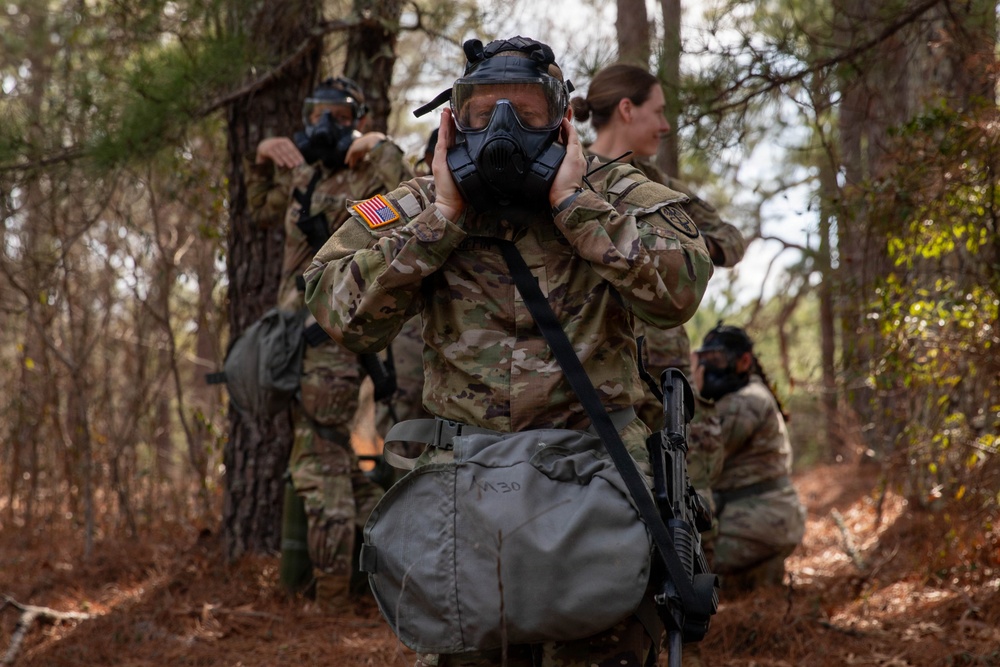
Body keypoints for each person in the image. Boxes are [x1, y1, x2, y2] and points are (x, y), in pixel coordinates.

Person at [304, 36, 713, 667]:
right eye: (482, 110)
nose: (502, 129)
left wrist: (576, 206)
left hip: (592, 492)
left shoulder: (616, 191)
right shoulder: (418, 202)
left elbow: (681, 287)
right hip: (467, 505)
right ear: (452, 118)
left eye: (526, 114)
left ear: (561, 120)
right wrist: (441, 219)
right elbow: (335, 307)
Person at [245, 75, 413, 610]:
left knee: (321, 468)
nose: (326, 125)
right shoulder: (306, 177)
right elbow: (263, 210)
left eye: (340, 117)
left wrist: (377, 145)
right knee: (332, 460)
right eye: (318, 112)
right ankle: (390, 575)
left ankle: (335, 605)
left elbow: (405, 194)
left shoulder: (367, 178)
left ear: (357, 121)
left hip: (332, 342)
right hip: (297, 343)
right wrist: (261, 158)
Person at [571, 64, 747, 432]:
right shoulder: (569, 175)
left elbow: (731, 239)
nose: (665, 126)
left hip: (667, 374)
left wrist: (683, 247)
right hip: (601, 377)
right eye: (658, 111)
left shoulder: (656, 184)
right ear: (626, 109)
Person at [690, 323, 807, 592]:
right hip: (753, 518)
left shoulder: (746, 400)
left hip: (759, 521)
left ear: (743, 361)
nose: (708, 369)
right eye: (704, 361)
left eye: (717, 360)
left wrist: (692, 395)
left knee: (682, 564)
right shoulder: (737, 396)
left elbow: (697, 453)